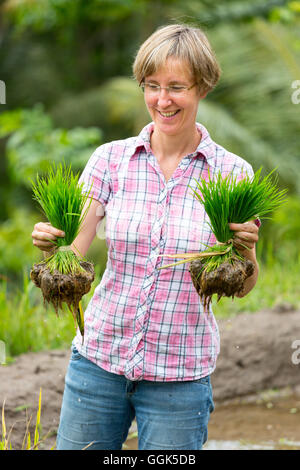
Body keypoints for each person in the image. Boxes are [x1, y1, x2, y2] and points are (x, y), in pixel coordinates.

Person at [31, 24, 259, 450]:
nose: (162, 99)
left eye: (176, 87)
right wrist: (52, 248)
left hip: (180, 377)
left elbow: (242, 286)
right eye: (151, 86)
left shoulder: (232, 173)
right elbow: (74, 254)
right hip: (98, 364)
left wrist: (243, 249)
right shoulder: (110, 160)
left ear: (202, 88)